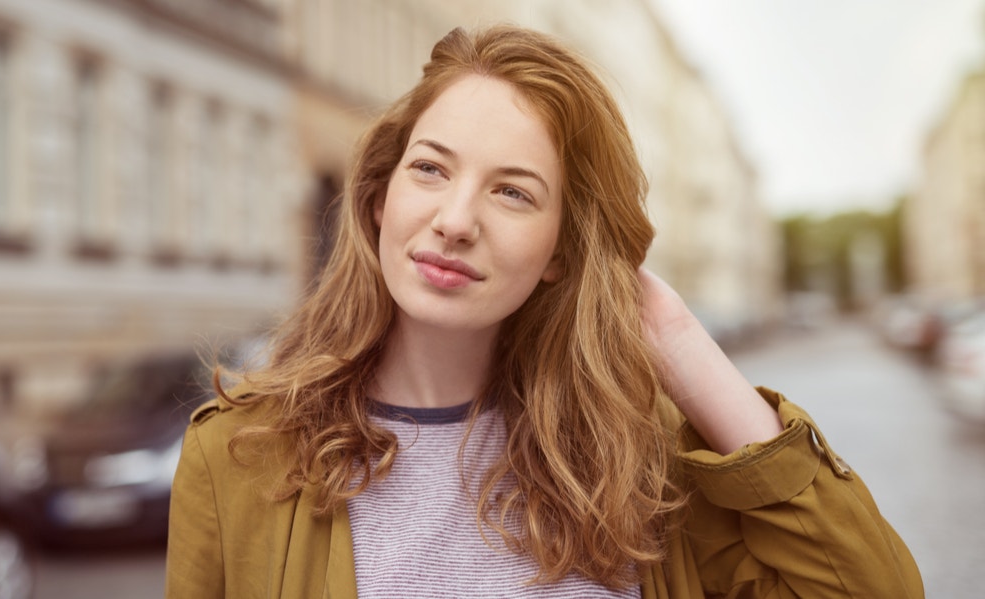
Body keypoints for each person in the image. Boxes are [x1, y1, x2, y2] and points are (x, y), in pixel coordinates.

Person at [166, 24, 923, 598]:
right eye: (430, 168)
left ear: (562, 249)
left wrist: (678, 337)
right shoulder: (240, 454)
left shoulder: (640, 460)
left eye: (513, 191)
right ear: (379, 196)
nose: (456, 219)